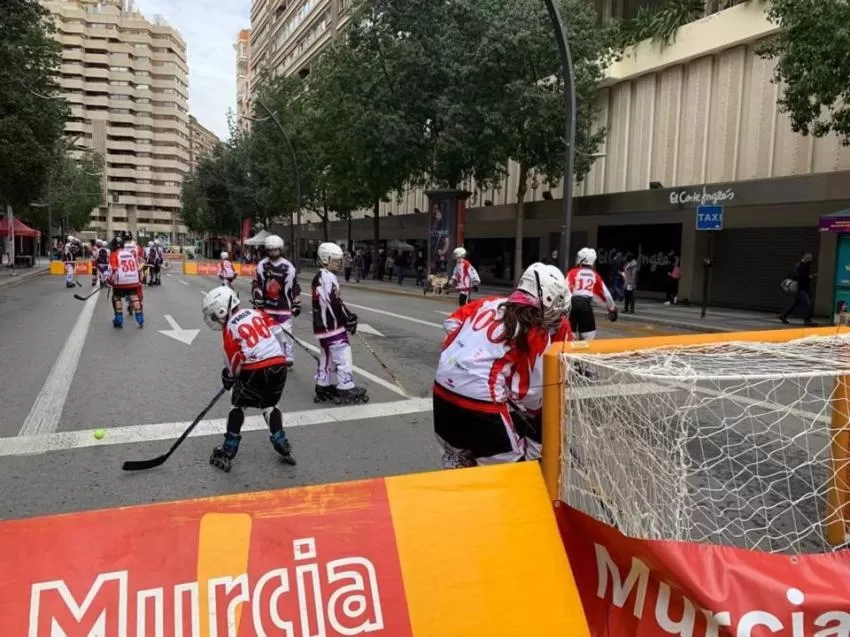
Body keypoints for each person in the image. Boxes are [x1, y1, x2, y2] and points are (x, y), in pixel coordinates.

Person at [433, 263, 570, 468]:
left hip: (442, 388)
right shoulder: (535, 329)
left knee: (458, 465)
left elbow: (451, 323)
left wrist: (467, 353)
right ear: (548, 298)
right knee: (511, 475)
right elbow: (530, 395)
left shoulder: (490, 303)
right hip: (481, 401)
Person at [201, 286, 295, 471]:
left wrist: (229, 376)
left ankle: (229, 448)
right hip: (279, 364)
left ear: (222, 310)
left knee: (238, 403)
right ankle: (279, 439)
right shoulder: (255, 313)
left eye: (215, 315)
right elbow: (277, 331)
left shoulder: (229, 328)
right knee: (270, 404)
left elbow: (234, 362)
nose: (215, 320)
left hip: (256, 369)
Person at [311, 242, 367, 404]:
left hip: (323, 326)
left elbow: (335, 302)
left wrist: (348, 315)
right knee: (342, 353)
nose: (339, 263)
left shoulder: (323, 276)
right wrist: (346, 319)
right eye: (335, 260)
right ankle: (346, 385)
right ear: (325, 259)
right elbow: (333, 302)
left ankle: (323, 384)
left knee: (326, 355)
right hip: (331, 325)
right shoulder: (326, 277)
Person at [252, 235, 301, 368]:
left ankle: (288, 357)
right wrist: (258, 296)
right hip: (267, 307)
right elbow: (256, 283)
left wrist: (297, 303)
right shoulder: (262, 265)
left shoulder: (287, 267)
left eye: (275, 250)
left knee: (286, 334)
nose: (273, 253)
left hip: (283, 307)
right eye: (270, 250)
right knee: (269, 335)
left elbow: (294, 286)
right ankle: (272, 356)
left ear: (280, 249)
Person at [566, 247, 617, 342]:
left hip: (572, 305)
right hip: (586, 306)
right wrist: (612, 308)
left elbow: (565, 289)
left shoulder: (572, 273)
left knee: (570, 335)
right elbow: (606, 293)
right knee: (588, 337)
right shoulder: (595, 275)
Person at [108, 235, 144, 328]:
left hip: (120, 281)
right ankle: (140, 319)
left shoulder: (114, 254)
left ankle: (119, 319)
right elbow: (137, 266)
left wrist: (108, 279)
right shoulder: (130, 254)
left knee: (116, 297)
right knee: (134, 296)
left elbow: (112, 269)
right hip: (133, 279)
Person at [780, 252, 817, 326]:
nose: (811, 261)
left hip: (804, 287)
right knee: (808, 303)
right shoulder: (800, 266)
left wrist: (809, 277)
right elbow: (799, 276)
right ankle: (807, 320)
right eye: (810, 259)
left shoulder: (803, 265)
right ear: (806, 258)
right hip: (801, 288)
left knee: (796, 303)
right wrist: (810, 277)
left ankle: (783, 316)